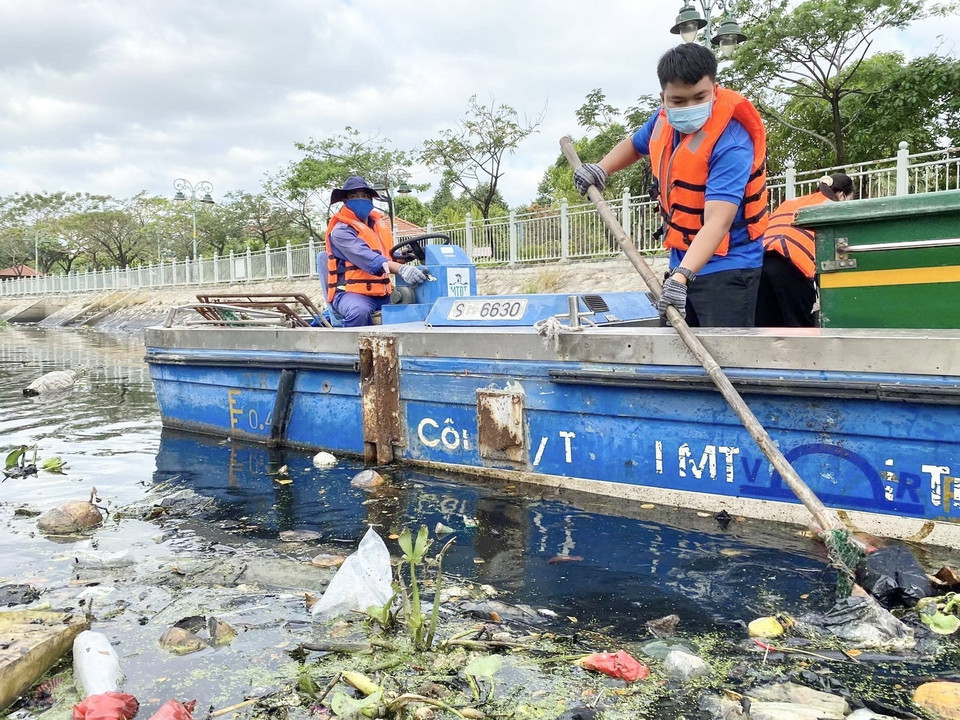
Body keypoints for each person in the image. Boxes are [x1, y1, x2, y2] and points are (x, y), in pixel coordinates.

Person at [574, 43, 768, 327]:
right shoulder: (662, 120)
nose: (689, 107)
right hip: (681, 263)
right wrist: (601, 169)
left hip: (730, 268)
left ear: (715, 89)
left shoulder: (732, 143)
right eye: (678, 101)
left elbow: (717, 222)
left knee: (724, 356)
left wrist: (680, 278)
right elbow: (634, 145)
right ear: (663, 97)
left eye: (699, 97)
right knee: (677, 357)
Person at [323, 176, 427, 327]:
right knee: (359, 312)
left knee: (415, 306)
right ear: (345, 201)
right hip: (351, 293)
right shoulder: (341, 231)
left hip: (383, 293)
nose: (361, 199)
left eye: (365, 196)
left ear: (371, 201)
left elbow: (385, 256)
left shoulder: (377, 226)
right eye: (354, 196)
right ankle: (353, 349)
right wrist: (401, 269)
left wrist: (402, 258)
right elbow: (369, 259)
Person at [755, 173, 854, 328]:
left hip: (760, 264)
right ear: (842, 195)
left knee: (768, 329)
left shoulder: (791, 202)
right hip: (792, 268)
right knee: (802, 333)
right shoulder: (833, 206)